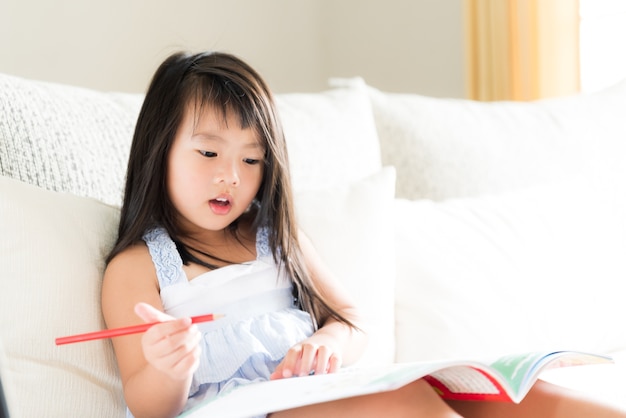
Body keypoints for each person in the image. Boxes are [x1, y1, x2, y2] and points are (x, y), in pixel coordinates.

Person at [101, 51, 626, 418]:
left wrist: (325, 344)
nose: (231, 176)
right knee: (404, 403)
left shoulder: (277, 238)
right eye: (209, 152)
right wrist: (171, 367)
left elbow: (351, 321)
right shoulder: (137, 268)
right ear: (159, 150)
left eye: (252, 158)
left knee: (516, 395)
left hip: (320, 395)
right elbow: (147, 406)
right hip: (252, 410)